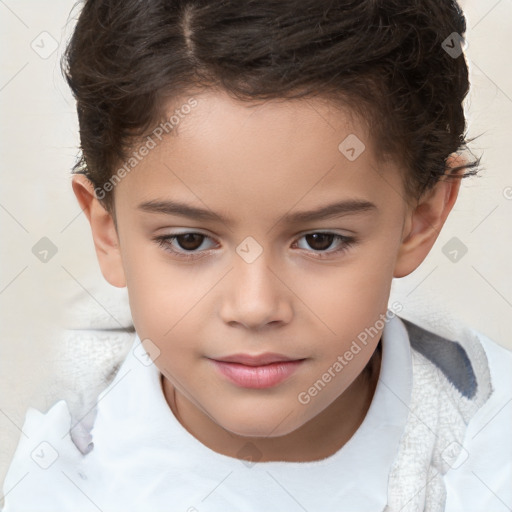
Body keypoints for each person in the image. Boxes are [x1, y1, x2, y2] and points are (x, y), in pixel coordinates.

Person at [2, 0, 511, 511]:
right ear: (107, 230)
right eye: (189, 241)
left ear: (418, 221)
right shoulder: (47, 460)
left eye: (320, 240)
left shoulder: (490, 457)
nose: (254, 306)